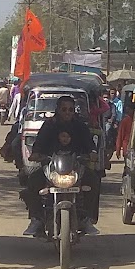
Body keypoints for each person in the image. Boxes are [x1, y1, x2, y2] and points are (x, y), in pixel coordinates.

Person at [24, 95, 96, 236]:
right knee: (32, 180)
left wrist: (92, 153)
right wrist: (37, 153)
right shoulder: (49, 125)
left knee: (93, 180)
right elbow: (39, 144)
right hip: (51, 167)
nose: (67, 112)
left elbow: (89, 144)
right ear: (58, 110)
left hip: (75, 167)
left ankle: (87, 218)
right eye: (64, 109)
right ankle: (36, 218)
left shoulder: (80, 126)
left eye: (70, 109)